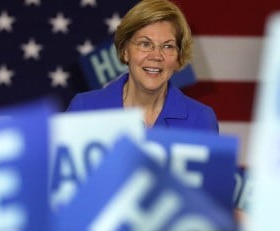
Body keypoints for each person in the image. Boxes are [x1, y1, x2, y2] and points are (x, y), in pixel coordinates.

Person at [67, 0, 219, 133]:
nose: (156, 56)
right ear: (125, 51)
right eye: (145, 44)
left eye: (167, 46)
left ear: (179, 58)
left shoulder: (201, 120)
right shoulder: (85, 109)